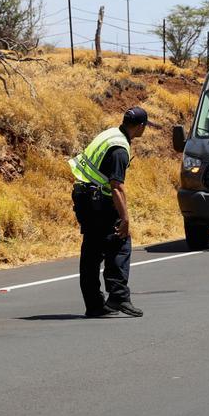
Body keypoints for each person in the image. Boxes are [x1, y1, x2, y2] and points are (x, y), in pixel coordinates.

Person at [69, 106, 152, 318]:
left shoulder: (109, 134)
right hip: (99, 200)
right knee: (120, 242)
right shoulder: (120, 149)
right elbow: (117, 187)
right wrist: (125, 219)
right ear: (140, 126)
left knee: (92, 252)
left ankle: (94, 305)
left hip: (83, 196)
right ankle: (118, 297)